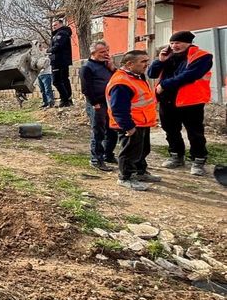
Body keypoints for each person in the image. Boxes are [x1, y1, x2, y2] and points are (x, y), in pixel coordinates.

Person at [147, 31, 213, 176]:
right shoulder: (169, 56)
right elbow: (151, 73)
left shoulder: (203, 56)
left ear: (188, 42)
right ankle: (176, 155)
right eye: (172, 43)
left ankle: (198, 159)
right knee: (170, 129)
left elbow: (189, 76)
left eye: (177, 43)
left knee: (195, 132)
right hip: (167, 100)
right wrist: (160, 60)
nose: (174, 46)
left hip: (191, 101)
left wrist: (164, 85)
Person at [107, 50, 162, 191]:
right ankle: (126, 177)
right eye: (143, 61)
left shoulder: (136, 76)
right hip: (131, 124)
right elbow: (118, 108)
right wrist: (128, 127)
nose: (147, 64)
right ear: (130, 64)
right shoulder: (121, 82)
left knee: (142, 150)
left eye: (147, 61)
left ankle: (140, 172)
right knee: (129, 152)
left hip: (142, 122)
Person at [80, 41, 118, 170]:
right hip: (97, 104)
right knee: (98, 132)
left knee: (112, 131)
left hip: (110, 103)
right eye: (102, 52)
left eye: (107, 50)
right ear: (93, 53)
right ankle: (96, 159)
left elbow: (118, 79)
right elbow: (86, 88)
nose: (106, 54)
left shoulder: (107, 66)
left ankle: (108, 155)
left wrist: (112, 67)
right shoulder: (87, 67)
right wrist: (94, 103)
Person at [48, 18, 74, 107]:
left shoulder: (62, 34)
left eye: (55, 25)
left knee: (57, 81)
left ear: (60, 24)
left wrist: (48, 50)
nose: (53, 27)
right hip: (57, 60)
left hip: (60, 61)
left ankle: (65, 99)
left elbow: (57, 46)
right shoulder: (57, 34)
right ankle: (67, 99)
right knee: (63, 80)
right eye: (52, 26)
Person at [34, 41, 55, 108]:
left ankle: (50, 102)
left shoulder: (46, 53)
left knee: (47, 89)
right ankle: (45, 102)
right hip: (39, 75)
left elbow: (46, 63)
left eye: (39, 46)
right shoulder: (35, 55)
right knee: (42, 90)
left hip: (46, 74)